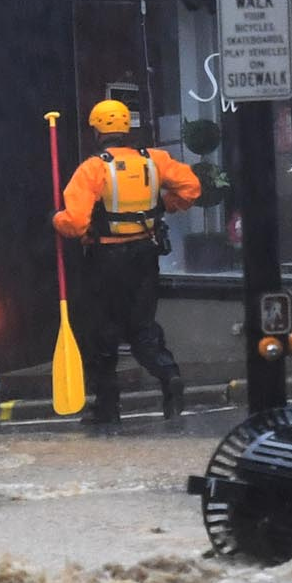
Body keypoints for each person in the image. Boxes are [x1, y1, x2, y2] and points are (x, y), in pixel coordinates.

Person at [50, 98, 201, 432]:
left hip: (106, 261)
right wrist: (167, 205)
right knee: (142, 326)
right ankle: (169, 375)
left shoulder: (93, 168)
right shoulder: (155, 160)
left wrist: (55, 220)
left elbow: (74, 224)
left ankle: (108, 408)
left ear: (96, 130)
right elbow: (191, 188)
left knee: (102, 332)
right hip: (146, 257)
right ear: (126, 128)